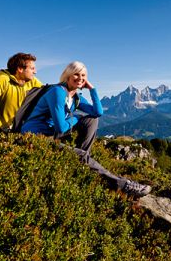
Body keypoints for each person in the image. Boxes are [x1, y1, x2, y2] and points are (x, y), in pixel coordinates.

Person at [21, 61, 151, 198]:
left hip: (51, 133)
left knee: (91, 120)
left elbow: (97, 112)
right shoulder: (57, 92)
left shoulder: (76, 97)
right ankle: (123, 185)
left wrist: (92, 89)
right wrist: (76, 116)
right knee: (81, 150)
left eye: (83, 75)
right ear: (68, 76)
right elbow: (61, 128)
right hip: (36, 136)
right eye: (76, 74)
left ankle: (82, 162)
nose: (80, 78)